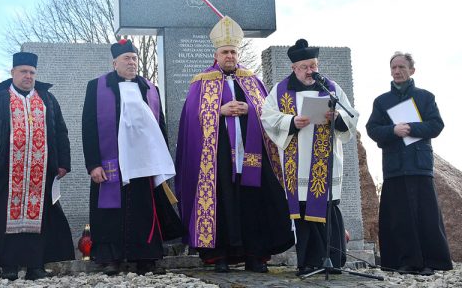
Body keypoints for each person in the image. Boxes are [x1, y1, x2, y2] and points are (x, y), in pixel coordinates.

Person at [176, 16, 294, 273]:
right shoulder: (201, 82)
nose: (229, 56)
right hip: (217, 157)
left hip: (251, 154)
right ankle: (220, 256)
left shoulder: (251, 80)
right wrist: (219, 111)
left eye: (233, 51)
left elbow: (267, 113)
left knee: (253, 202)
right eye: (225, 52)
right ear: (216, 55)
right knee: (222, 201)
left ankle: (255, 254)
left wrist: (249, 109)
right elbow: (191, 120)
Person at [81, 39, 182, 276]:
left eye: (134, 58)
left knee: (144, 210)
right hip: (111, 164)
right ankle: (110, 259)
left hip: (143, 164)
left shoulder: (150, 89)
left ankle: (146, 258)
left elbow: (160, 127)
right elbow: (89, 127)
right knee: (110, 212)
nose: (132, 62)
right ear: (114, 62)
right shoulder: (97, 87)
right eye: (126, 58)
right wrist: (93, 164)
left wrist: (160, 160)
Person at [260, 38, 359, 276]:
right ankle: (307, 261)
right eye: (304, 67)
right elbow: (267, 116)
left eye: (313, 65)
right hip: (298, 161)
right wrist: (291, 121)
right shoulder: (281, 90)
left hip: (325, 160)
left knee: (328, 207)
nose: (310, 71)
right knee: (303, 210)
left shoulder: (331, 88)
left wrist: (335, 118)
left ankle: (332, 260)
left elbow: (351, 116)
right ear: (294, 68)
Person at [0, 52, 75, 281]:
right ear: (12, 73)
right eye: (23, 71)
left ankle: (35, 265)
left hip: (41, 171)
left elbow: (60, 130)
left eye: (31, 72)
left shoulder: (47, 98)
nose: (28, 76)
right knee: (5, 216)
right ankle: (8, 265)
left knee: (40, 217)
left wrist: (63, 163)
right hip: (6, 169)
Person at [366, 52, 452, 276]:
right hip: (394, 167)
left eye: (401, 67)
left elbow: (436, 125)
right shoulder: (381, 101)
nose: (397, 71)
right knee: (399, 217)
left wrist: (412, 128)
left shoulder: (426, 97)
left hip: (419, 164)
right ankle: (403, 262)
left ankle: (430, 262)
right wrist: (393, 131)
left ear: (412, 70)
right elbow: (372, 129)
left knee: (426, 215)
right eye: (393, 67)